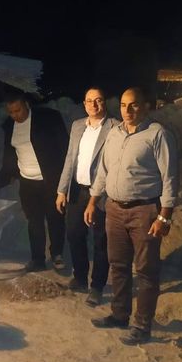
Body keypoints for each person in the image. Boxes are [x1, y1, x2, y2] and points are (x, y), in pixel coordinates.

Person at [85, 87, 179, 345]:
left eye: (134, 105)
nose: (127, 110)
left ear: (146, 107)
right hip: (114, 209)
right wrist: (93, 201)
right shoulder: (114, 134)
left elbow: (170, 178)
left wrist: (164, 217)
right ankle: (119, 314)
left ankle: (142, 325)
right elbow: (103, 171)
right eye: (123, 105)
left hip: (144, 211)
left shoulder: (157, 135)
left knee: (146, 271)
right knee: (118, 265)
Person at [0, 92, 69, 272]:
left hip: (50, 179)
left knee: (55, 218)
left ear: (27, 104)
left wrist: (65, 179)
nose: (15, 115)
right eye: (11, 112)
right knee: (34, 221)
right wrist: (9, 174)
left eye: (18, 110)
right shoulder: (9, 126)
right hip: (28, 183)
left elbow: (64, 147)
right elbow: (10, 152)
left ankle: (57, 254)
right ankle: (37, 259)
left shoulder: (48, 119)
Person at [56, 87, 116, 302]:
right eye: (90, 101)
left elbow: (111, 165)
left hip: (101, 194)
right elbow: (70, 158)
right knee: (74, 234)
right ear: (84, 104)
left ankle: (97, 286)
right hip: (77, 190)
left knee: (101, 240)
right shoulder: (77, 126)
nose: (94, 105)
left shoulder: (114, 127)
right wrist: (61, 190)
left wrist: (98, 195)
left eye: (98, 100)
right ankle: (80, 277)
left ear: (104, 102)